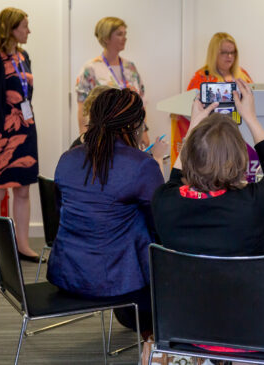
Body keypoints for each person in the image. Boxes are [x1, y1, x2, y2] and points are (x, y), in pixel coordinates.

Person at [151, 79, 264, 359]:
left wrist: (194, 125)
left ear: (190, 156)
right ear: (240, 159)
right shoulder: (252, 205)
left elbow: (174, 181)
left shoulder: (163, 203)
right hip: (254, 331)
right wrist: (251, 118)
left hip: (187, 326)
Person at [47, 88, 166, 336]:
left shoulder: (67, 159)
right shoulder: (141, 165)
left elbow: (62, 213)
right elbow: (162, 223)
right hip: (115, 284)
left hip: (68, 275)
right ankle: (156, 335)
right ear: (134, 125)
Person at [0, 7, 41, 262]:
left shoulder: (23, 55)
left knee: (23, 190)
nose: (29, 31)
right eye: (24, 26)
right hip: (4, 132)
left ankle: (23, 246)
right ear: (11, 29)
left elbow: (26, 92)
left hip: (26, 127)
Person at [75, 16, 149, 146]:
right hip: (102, 136)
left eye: (125, 34)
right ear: (106, 37)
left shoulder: (130, 67)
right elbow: (82, 107)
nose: (124, 38)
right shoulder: (91, 69)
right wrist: (84, 135)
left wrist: (144, 131)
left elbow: (141, 102)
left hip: (130, 135)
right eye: (119, 34)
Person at [187, 32, 253, 90]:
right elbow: (189, 102)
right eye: (224, 52)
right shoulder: (202, 77)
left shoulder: (243, 75)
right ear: (213, 53)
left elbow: (254, 99)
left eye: (232, 52)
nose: (229, 56)